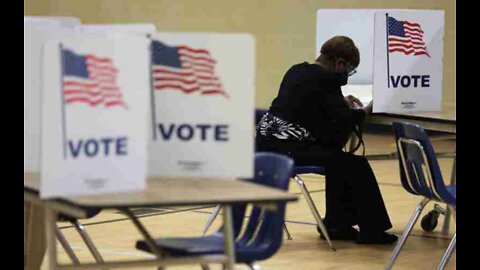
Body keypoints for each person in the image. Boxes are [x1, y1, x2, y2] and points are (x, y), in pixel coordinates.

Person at [256, 36, 398, 244]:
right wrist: (365, 111)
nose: (347, 76)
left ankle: (336, 224)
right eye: (349, 70)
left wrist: (340, 102)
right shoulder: (325, 80)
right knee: (356, 165)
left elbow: (311, 106)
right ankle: (372, 230)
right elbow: (341, 119)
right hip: (285, 150)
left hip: (266, 145)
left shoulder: (298, 70)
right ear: (340, 63)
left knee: (338, 160)